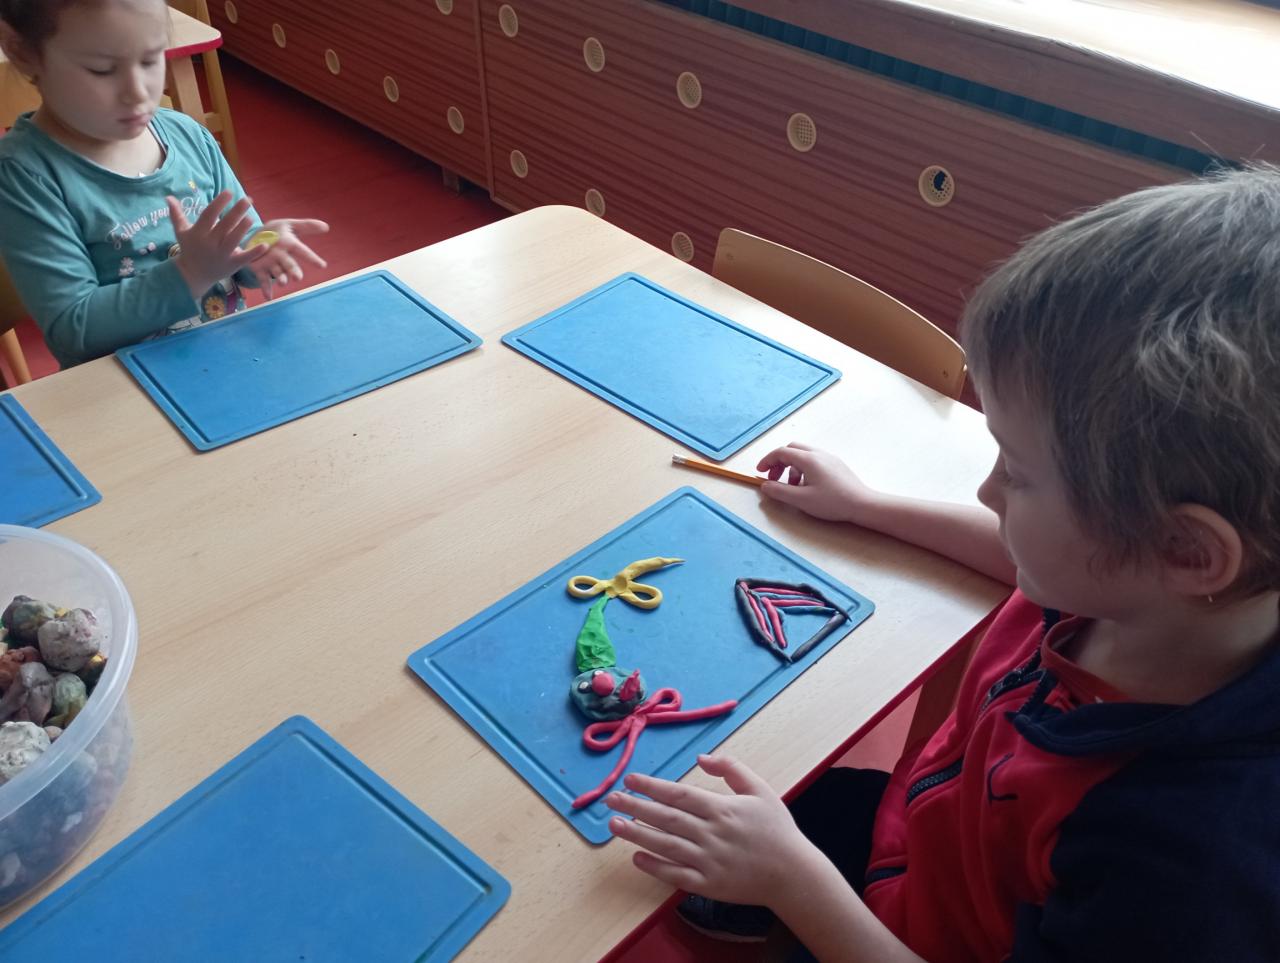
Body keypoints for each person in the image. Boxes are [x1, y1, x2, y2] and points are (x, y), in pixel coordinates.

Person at [607, 166, 1280, 961]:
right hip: (931, 831)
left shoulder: (1186, 869)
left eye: (1017, 472)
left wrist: (797, 883)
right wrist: (866, 504)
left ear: (1186, 550)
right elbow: (1011, 548)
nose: (988, 490)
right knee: (771, 804)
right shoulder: (1142, 590)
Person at [0, 0, 327, 367]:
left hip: (226, 364)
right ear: (22, 52)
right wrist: (189, 273)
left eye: (150, 59)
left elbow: (240, 252)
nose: (138, 92)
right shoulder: (25, 175)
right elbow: (73, 333)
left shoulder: (186, 135)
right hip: (124, 388)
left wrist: (261, 248)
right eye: (102, 70)